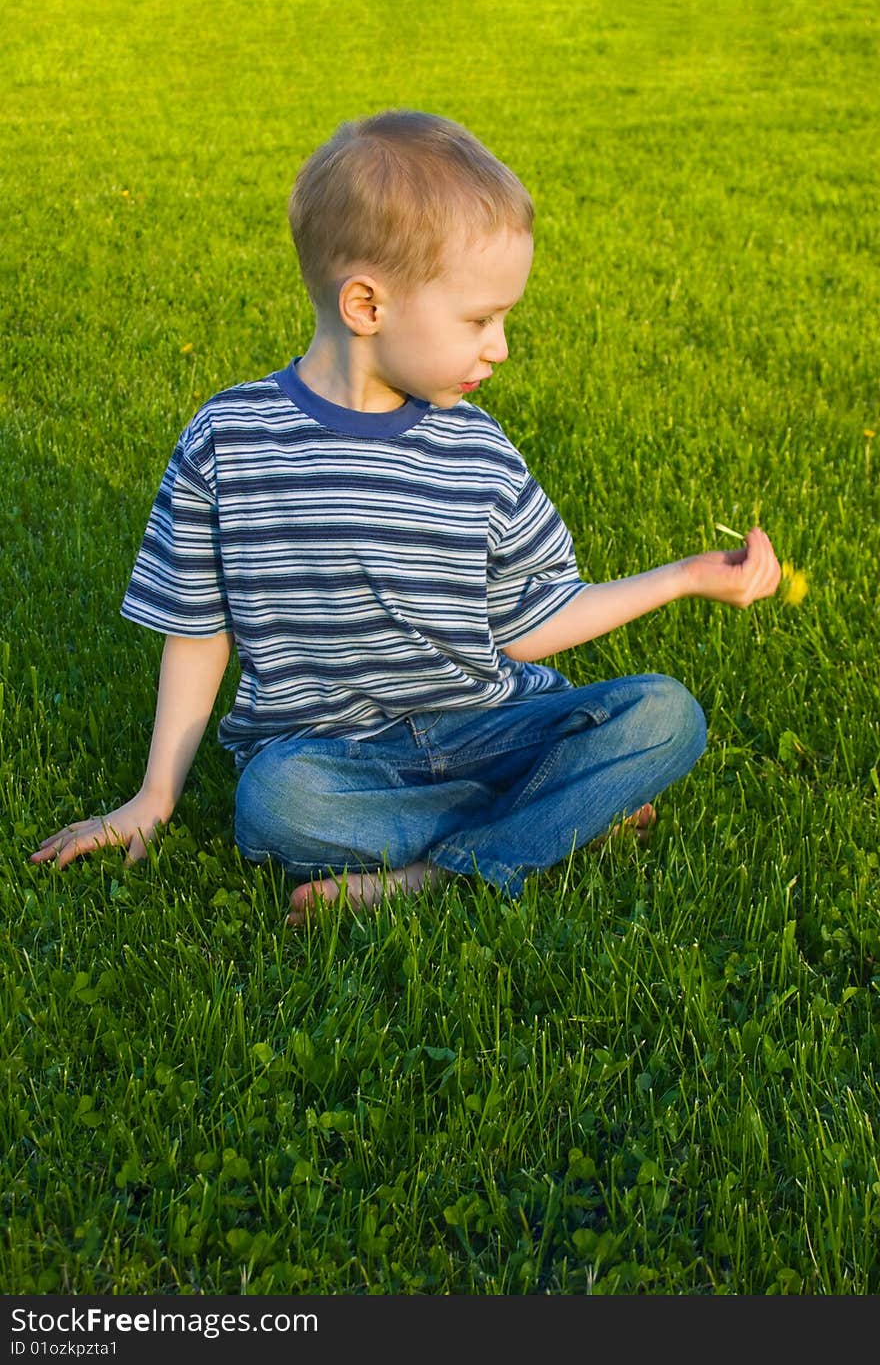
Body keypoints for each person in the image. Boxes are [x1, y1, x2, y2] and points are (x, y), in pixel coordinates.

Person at [31, 109, 781, 924]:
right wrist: (153, 797)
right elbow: (197, 631)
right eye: (479, 320)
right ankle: (552, 823)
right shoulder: (230, 442)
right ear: (366, 304)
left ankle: (438, 871)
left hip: (489, 727)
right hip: (329, 760)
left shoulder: (481, 454)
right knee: (274, 808)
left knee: (667, 714)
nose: (500, 348)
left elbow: (529, 626)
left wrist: (681, 578)